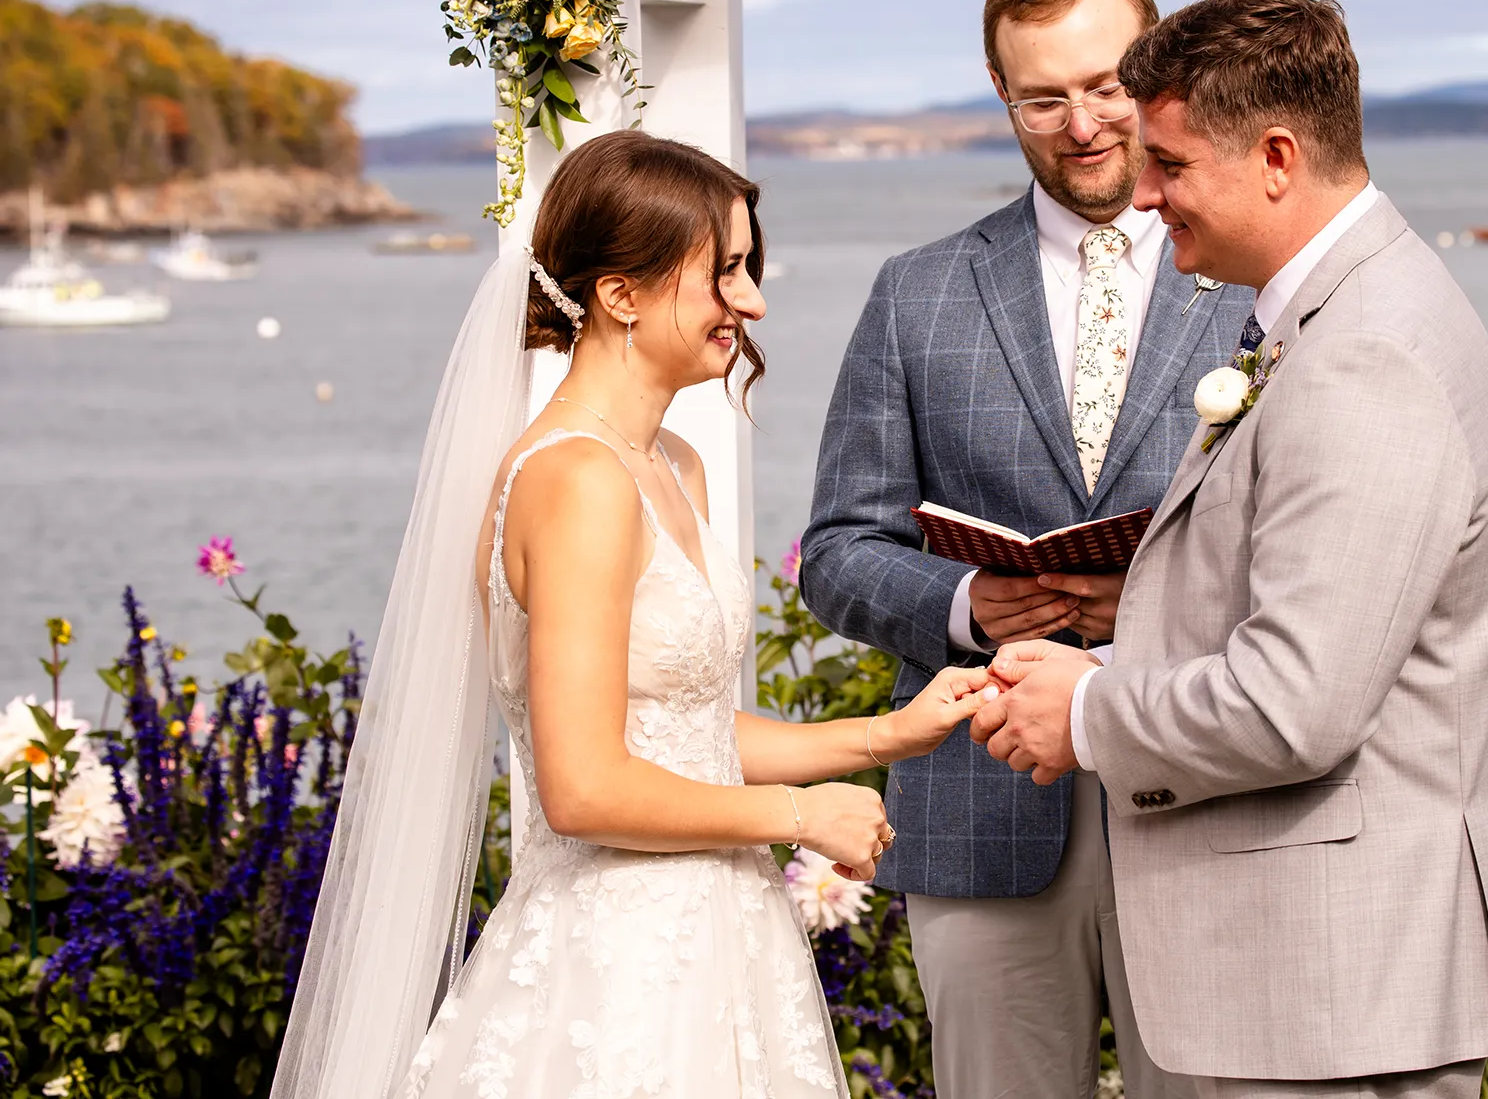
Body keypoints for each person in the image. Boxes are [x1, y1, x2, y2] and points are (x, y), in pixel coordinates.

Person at [271, 132, 996, 1099]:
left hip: (718, 934)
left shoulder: (670, 466)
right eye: (725, 272)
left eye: (749, 268)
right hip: (619, 961)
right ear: (621, 294)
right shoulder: (578, 480)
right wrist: (799, 817)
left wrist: (891, 734)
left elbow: (681, 729)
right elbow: (582, 786)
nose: (752, 302)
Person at [971, 0, 1488, 1099]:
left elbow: (1299, 701)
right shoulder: (1335, 318)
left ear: (1278, 155)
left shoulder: (1366, 356)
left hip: (1343, 997)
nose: (1143, 194)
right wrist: (1096, 666)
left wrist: (1088, 713)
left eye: (1172, 165)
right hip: (1327, 987)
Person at [801, 0, 1250, 1099]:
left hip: (1206, 794)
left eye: (1106, 86)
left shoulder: (1260, 280)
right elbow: (839, 549)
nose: (1083, 124)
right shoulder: (917, 291)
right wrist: (963, 603)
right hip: (980, 807)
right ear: (1002, 94)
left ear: (1157, 69)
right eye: (1044, 96)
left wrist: (1153, 593)